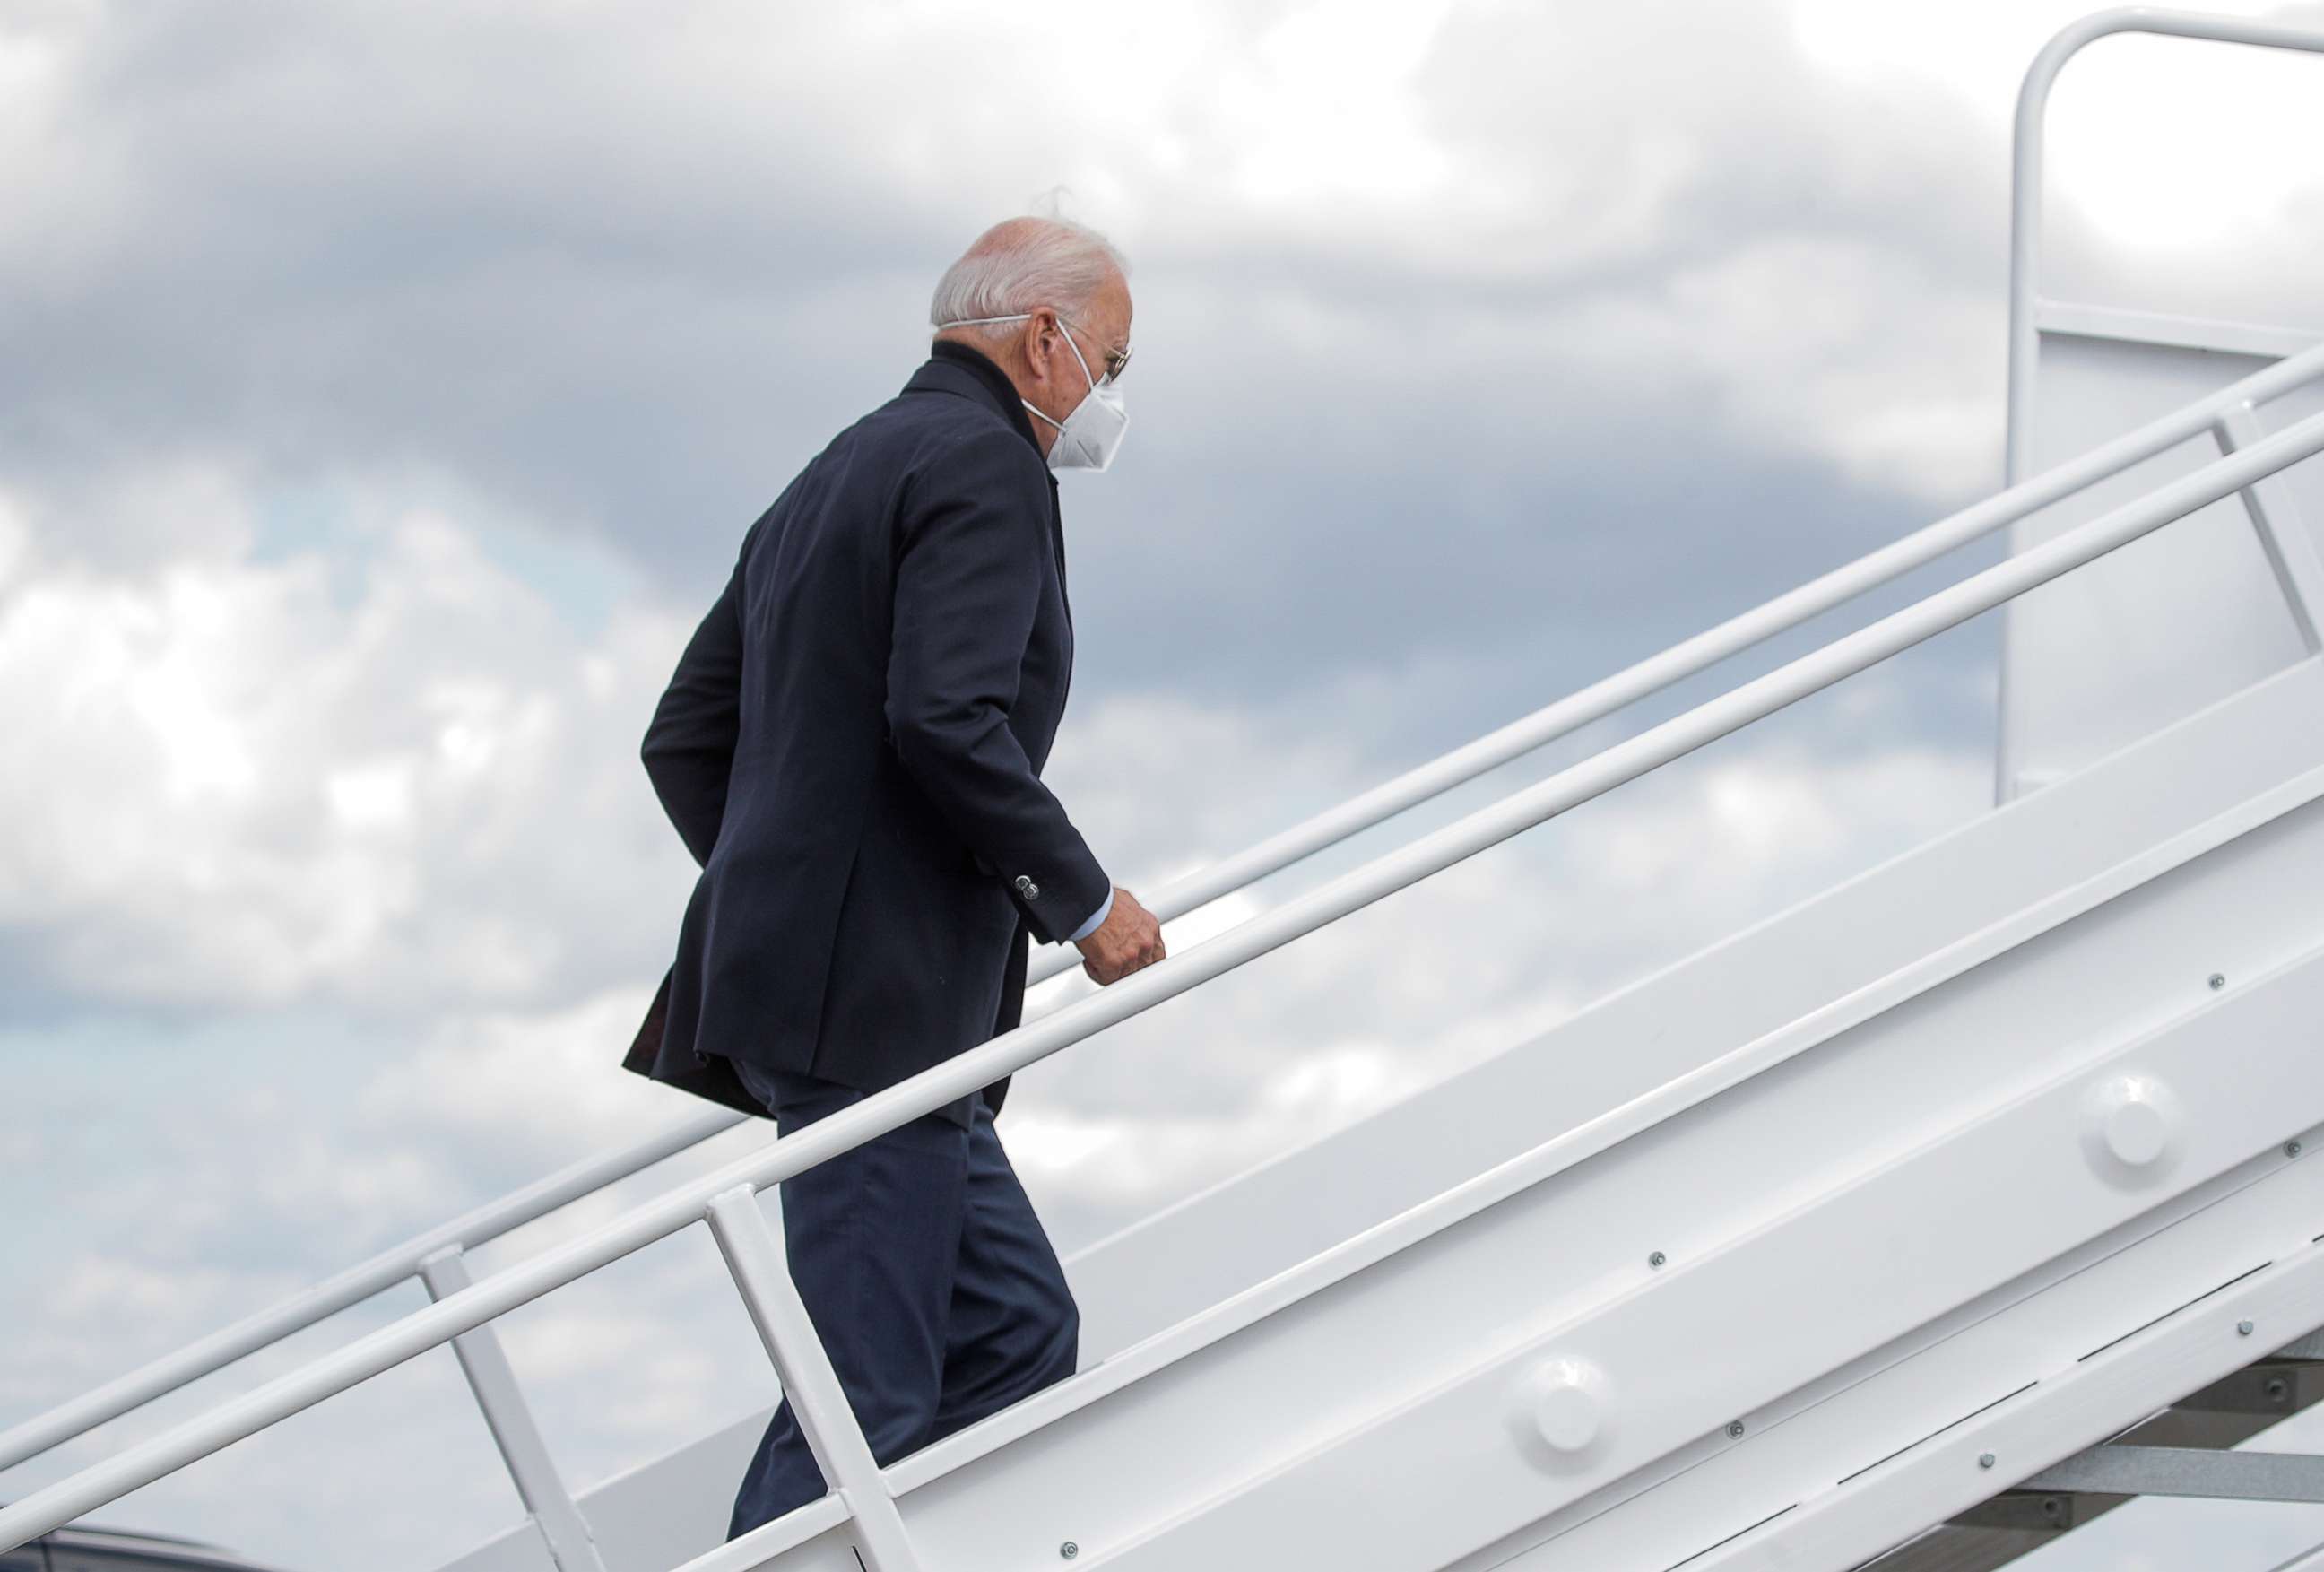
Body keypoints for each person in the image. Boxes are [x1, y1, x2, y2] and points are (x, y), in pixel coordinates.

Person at [620, 213, 1167, 1540]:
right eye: (1114, 358)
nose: (1112, 394)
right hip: (878, 1009)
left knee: (1012, 1330)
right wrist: (1084, 900)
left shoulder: (838, 468)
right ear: (1044, 343)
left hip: (853, 1003)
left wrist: (797, 885)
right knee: (868, 1392)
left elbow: (686, 735)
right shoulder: (984, 465)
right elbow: (945, 717)